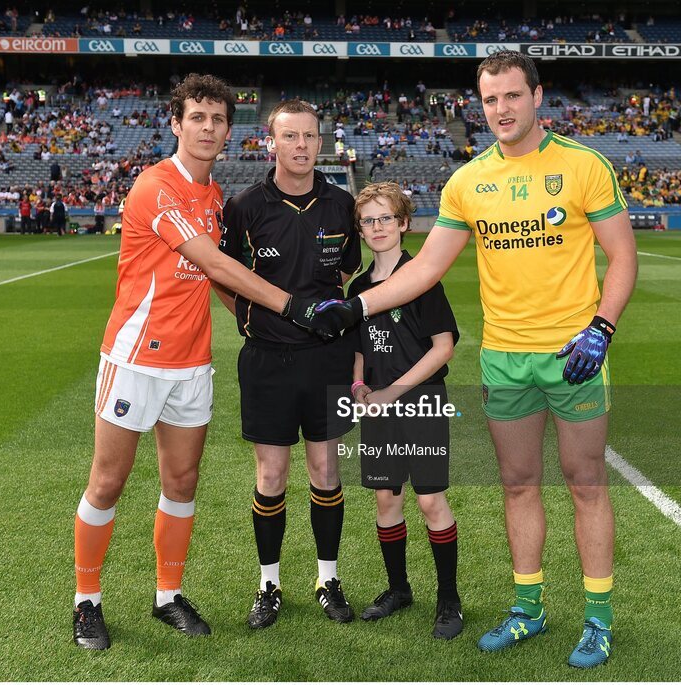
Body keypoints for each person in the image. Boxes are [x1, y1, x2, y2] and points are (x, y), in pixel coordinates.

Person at [312, 50, 637, 668]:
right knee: (518, 485)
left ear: (537, 96)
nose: (501, 110)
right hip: (505, 359)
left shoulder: (582, 165)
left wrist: (602, 328)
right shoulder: (468, 182)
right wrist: (355, 311)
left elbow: (622, 255)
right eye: (490, 100)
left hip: (575, 352)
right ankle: (528, 608)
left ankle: (597, 618)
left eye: (512, 96)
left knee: (586, 482)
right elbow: (427, 268)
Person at [71, 74, 327, 652]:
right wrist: (291, 307)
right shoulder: (155, 187)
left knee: (182, 481)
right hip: (136, 357)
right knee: (108, 482)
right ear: (176, 123)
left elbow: (215, 280)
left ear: (228, 130)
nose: (207, 129)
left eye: (217, 120)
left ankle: (168, 596)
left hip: (191, 361)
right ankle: (87, 602)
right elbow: (210, 259)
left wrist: (258, 321)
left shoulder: (215, 199)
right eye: (197, 118)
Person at [216, 99, 361, 630]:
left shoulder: (341, 205)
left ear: (322, 143)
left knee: (326, 469)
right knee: (272, 474)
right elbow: (224, 278)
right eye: (290, 136)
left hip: (327, 359)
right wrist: (255, 322)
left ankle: (328, 578)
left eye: (310, 137)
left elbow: (342, 280)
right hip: (267, 362)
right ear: (271, 142)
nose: (301, 146)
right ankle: (269, 585)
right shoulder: (246, 206)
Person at [347, 182, 463, 640]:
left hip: (423, 402)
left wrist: (393, 391)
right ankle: (399, 589)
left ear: (402, 224)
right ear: (360, 229)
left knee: (430, 500)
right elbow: (357, 349)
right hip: (377, 408)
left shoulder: (422, 277)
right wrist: (359, 384)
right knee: (386, 499)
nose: (377, 228)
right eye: (368, 221)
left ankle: (449, 600)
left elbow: (444, 346)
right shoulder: (359, 288)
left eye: (385, 219)